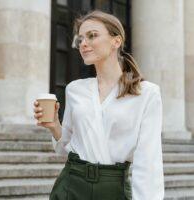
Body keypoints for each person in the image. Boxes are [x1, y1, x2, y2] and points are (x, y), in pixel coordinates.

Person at [33, 10, 164, 200]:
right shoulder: (75, 89)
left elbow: (149, 161)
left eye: (92, 36)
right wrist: (54, 126)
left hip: (114, 189)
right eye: (80, 39)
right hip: (71, 184)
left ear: (116, 41)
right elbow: (66, 146)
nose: (83, 44)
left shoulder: (146, 93)